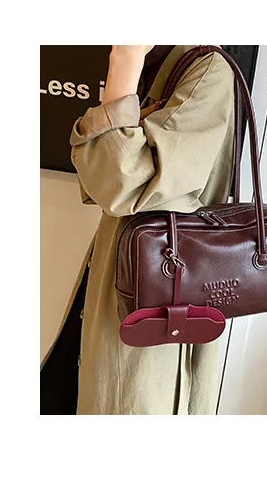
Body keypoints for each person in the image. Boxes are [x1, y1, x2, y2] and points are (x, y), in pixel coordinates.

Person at [41, 44, 236, 415]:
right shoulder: (163, 65)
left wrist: (125, 62)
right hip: (126, 289)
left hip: (159, 309)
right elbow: (102, 177)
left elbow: (117, 184)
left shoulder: (207, 70)